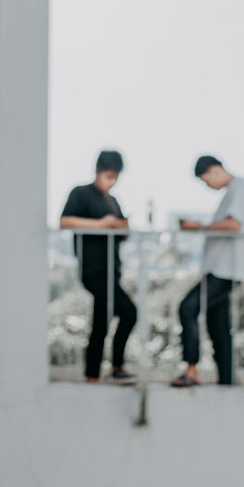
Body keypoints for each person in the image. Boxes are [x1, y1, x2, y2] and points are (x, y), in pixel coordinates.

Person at [173, 156, 244, 388]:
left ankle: (191, 370)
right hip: (220, 270)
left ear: (214, 171)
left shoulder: (240, 186)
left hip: (224, 272)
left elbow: (233, 224)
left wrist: (198, 227)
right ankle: (227, 382)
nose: (208, 186)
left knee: (188, 307)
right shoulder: (233, 191)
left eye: (206, 181)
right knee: (218, 328)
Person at [60, 151, 137, 383]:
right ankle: (115, 367)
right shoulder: (81, 193)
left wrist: (121, 227)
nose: (111, 182)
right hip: (93, 270)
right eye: (108, 176)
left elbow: (123, 235)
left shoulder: (113, 201)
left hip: (112, 269)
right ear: (98, 171)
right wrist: (100, 224)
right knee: (130, 313)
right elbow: (65, 221)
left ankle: (93, 374)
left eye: (115, 178)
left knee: (102, 322)